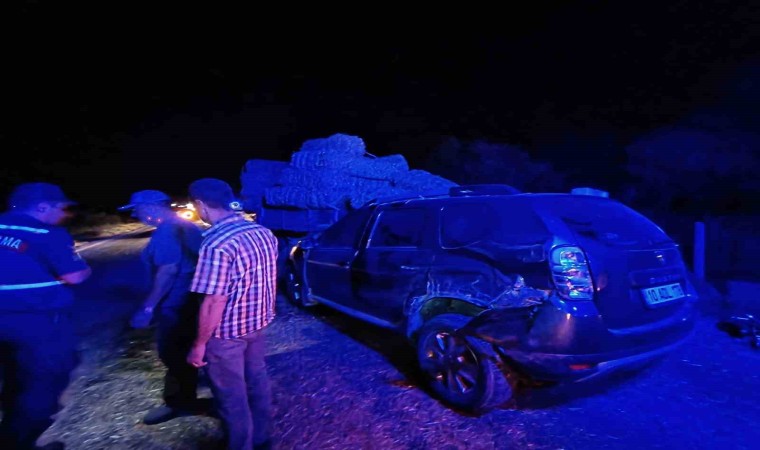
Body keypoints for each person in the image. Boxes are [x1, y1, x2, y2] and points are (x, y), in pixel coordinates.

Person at [186, 178, 277, 450]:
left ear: (200, 204)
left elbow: (214, 300)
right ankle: (262, 438)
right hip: (257, 324)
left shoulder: (216, 243)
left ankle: (240, 445)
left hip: (226, 334)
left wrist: (199, 344)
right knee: (256, 381)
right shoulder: (262, 232)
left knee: (231, 395)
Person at [0, 182, 92, 450]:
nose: (64, 214)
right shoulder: (47, 233)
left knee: (13, 374)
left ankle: (12, 425)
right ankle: (18, 443)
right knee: (45, 381)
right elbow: (75, 276)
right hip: (37, 323)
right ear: (42, 207)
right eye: (60, 208)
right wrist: (84, 269)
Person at [118, 189, 209, 425]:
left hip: (175, 302)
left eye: (137, 210)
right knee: (185, 348)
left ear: (152, 207)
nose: (136, 215)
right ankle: (187, 396)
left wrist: (147, 307)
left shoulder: (167, 231)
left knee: (172, 352)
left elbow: (168, 270)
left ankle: (181, 403)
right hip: (190, 297)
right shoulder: (184, 226)